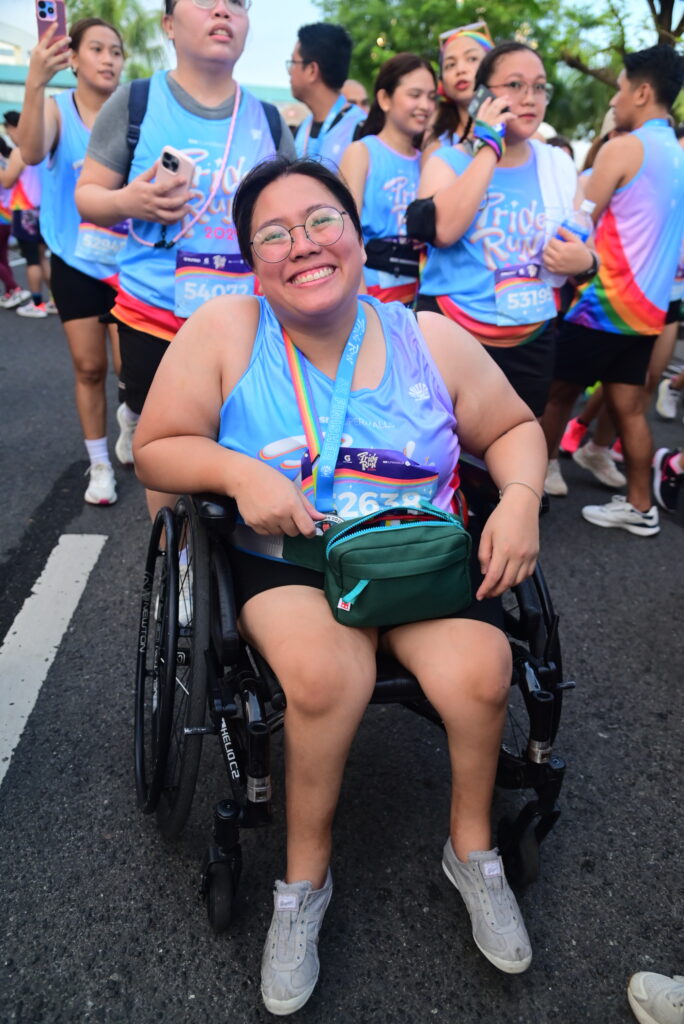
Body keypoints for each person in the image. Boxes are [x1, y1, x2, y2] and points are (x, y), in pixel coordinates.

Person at [133, 154, 548, 1015]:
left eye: (322, 221)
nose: (303, 244)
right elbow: (159, 448)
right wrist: (237, 472)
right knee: (325, 677)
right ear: (252, 260)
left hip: (414, 556)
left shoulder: (429, 337)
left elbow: (512, 427)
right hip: (293, 560)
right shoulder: (225, 332)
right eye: (274, 234)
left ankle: (472, 851)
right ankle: (304, 882)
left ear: (357, 237)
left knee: (482, 673)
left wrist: (517, 501)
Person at [75, 0, 295, 519]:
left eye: (236, 3)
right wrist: (129, 201)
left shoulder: (267, 119)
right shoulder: (135, 101)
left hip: (246, 321)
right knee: (167, 453)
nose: (223, 10)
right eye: (206, 0)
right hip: (154, 314)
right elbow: (87, 197)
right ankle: (174, 556)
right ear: (169, 25)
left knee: (239, 444)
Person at [540, 45, 684, 537]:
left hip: (604, 304)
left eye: (620, 88)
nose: (614, 98)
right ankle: (641, 507)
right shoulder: (678, 154)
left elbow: (579, 218)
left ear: (642, 92)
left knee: (555, 394)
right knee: (630, 409)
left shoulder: (624, 148)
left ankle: (528, 486)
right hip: (649, 310)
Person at [414, 41, 591, 418]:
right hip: (453, 334)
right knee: (446, 444)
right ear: (482, 97)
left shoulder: (558, 166)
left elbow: (583, 247)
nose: (530, 98)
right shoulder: (446, 162)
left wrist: (585, 262)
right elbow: (444, 231)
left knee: (521, 439)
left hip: (532, 338)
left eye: (539, 86)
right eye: (515, 85)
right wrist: (489, 146)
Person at [17, 18, 126, 505]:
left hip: (129, 264)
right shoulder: (57, 109)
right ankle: (99, 465)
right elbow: (30, 151)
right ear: (74, 58)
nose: (108, 59)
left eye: (116, 51)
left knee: (130, 370)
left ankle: (131, 416)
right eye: (97, 49)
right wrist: (35, 81)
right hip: (74, 259)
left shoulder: (133, 112)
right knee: (89, 367)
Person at [338, 53, 436, 304]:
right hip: (373, 293)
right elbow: (345, 232)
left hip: (420, 296)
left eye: (431, 97)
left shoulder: (431, 162)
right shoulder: (361, 152)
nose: (425, 105)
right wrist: (362, 303)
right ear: (384, 99)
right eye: (415, 95)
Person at [289, 23, 366, 169]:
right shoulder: (301, 130)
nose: (289, 71)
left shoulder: (361, 130)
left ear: (312, 70)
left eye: (293, 62)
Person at [0, 111, 52, 317]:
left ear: (15, 128)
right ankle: (55, 301)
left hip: (25, 211)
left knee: (32, 260)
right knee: (42, 258)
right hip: (43, 209)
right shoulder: (44, 149)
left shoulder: (20, 152)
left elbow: (6, 181)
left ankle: (37, 305)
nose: (9, 137)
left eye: (8, 132)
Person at [422, 21, 493, 162]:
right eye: (450, 65)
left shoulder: (525, 139)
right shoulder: (435, 151)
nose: (460, 70)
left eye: (472, 59)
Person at [0, 134, 30, 310]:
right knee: (3, 257)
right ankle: (9, 291)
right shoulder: (6, 161)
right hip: (7, 215)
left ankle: (15, 288)